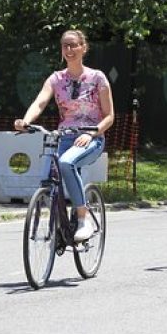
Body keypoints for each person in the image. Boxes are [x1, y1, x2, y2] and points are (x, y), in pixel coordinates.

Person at [14, 29, 115, 242]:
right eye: (65, 46)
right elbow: (40, 101)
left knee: (66, 163)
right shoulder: (56, 78)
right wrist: (26, 121)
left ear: (83, 48)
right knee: (52, 173)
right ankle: (59, 220)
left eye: (73, 45)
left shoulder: (98, 78)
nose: (69, 50)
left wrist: (93, 133)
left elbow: (109, 117)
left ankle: (83, 218)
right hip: (65, 136)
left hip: (91, 138)